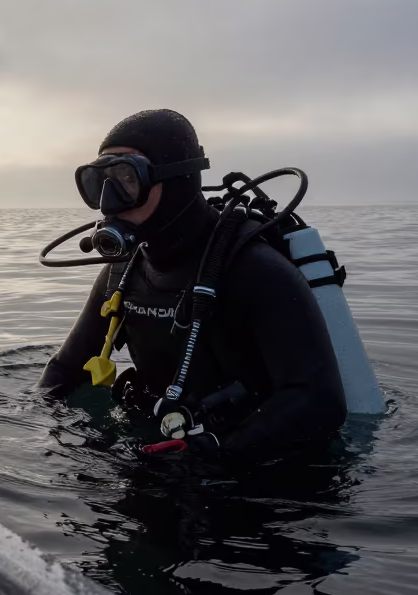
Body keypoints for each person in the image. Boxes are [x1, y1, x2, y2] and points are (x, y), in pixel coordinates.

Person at [38, 110, 346, 463]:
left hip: (259, 484)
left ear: (178, 179)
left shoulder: (255, 269)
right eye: (100, 181)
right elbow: (65, 369)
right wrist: (30, 431)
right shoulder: (123, 271)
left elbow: (319, 401)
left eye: (128, 178)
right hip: (161, 453)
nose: (110, 201)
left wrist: (216, 453)